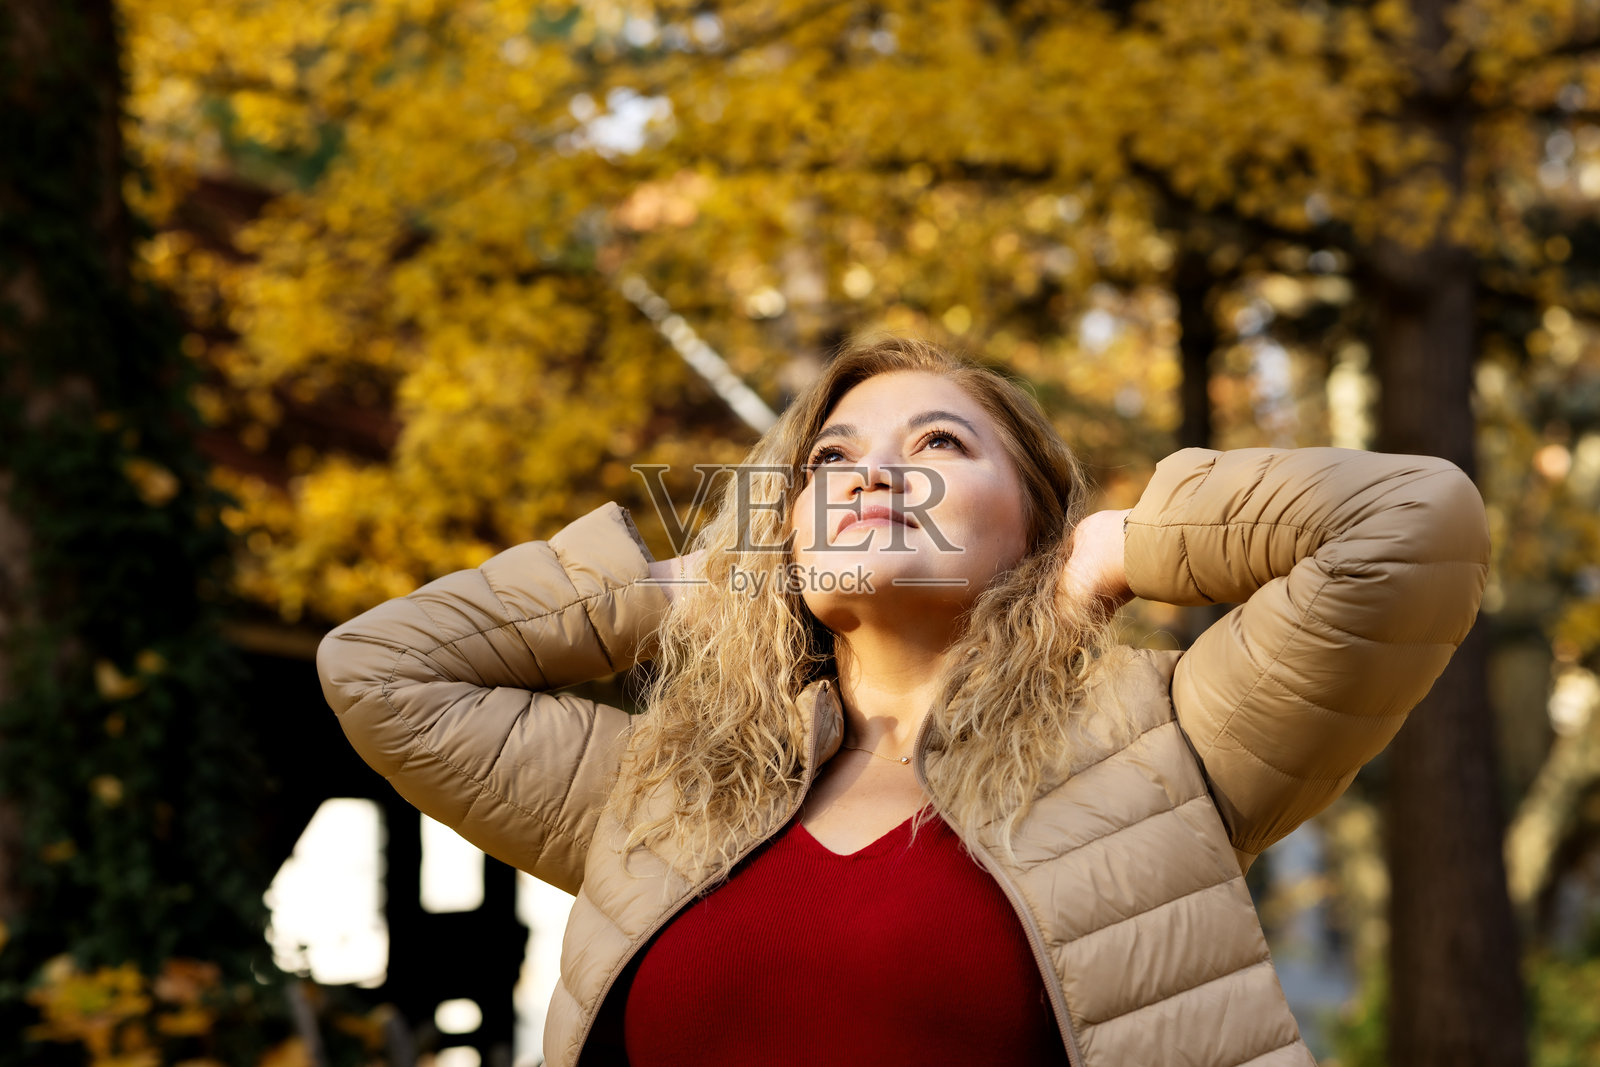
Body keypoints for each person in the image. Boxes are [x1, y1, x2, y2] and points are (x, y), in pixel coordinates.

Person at [317, 337, 1490, 1067]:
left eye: (939, 441)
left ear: (1028, 517)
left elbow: (1406, 524)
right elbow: (381, 669)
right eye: (830, 461)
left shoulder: (1160, 734)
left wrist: (1116, 547)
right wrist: (694, 579)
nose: (875, 473)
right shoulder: (660, 787)